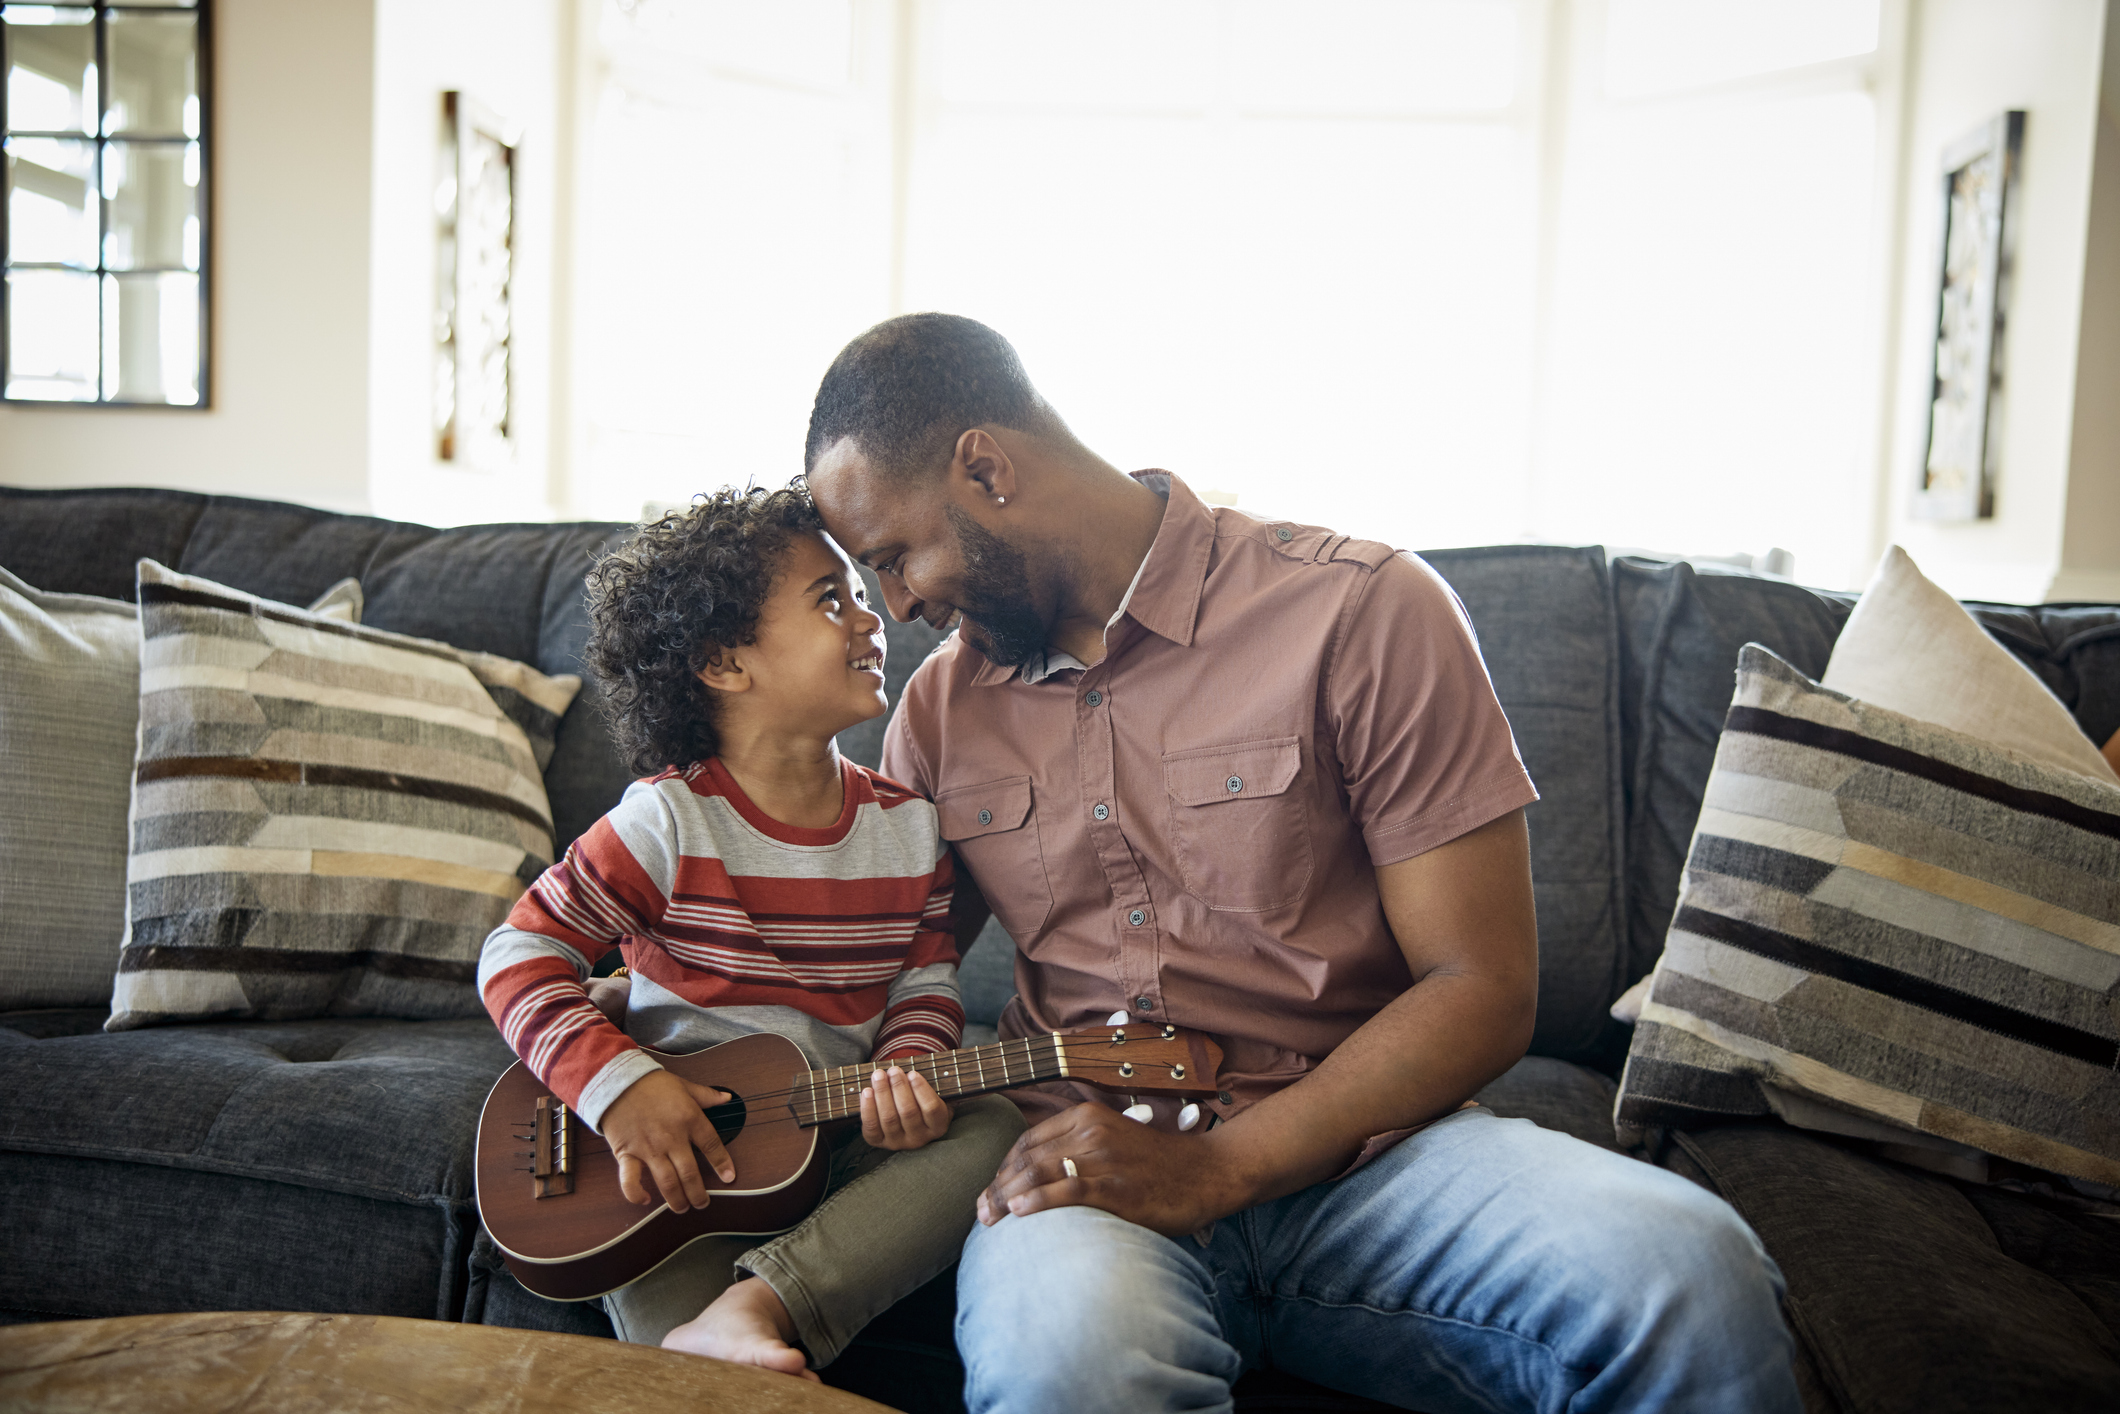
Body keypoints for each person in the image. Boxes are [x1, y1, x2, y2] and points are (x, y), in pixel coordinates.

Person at [802, 314, 1803, 1413]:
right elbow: (867, 966)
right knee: (1069, 1365)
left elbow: (1482, 987)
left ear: (984, 467)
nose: (893, 606)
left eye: (893, 556)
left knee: (1690, 1272)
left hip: (1373, 1164)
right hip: (1081, 1181)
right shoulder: (943, 706)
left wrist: (1218, 1168)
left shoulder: (1363, 608)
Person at [476, 486, 1022, 1381]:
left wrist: (905, 1073)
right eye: (830, 600)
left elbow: (922, 985)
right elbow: (521, 954)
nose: (871, 619)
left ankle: (766, 1297)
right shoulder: (667, 822)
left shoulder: (909, 829)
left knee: (994, 1123)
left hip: (834, 1141)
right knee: (696, 1390)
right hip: (668, 1178)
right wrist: (621, 1092)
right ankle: (721, 1333)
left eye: (857, 593)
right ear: (725, 663)